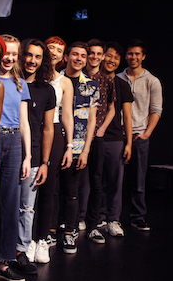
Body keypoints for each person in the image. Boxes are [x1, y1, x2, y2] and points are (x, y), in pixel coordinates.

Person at [0, 32, 32, 281]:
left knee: (9, 204)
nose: (9, 57)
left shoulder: (20, 84)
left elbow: (24, 122)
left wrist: (28, 156)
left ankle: (3, 261)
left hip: (12, 141)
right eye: (6, 52)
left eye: (14, 54)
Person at [13, 37, 55, 272]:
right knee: (3, 206)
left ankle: (22, 250)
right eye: (29, 55)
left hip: (36, 156)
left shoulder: (46, 90)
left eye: (38, 57)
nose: (32, 60)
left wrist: (45, 162)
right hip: (7, 153)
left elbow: (48, 128)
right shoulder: (10, 82)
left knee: (27, 208)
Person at [117, 39, 162, 231]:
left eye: (137, 54)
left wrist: (146, 134)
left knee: (138, 180)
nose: (133, 57)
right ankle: (109, 216)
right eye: (130, 53)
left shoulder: (152, 81)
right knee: (113, 178)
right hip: (117, 134)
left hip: (138, 135)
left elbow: (156, 109)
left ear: (143, 56)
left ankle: (137, 217)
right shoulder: (117, 78)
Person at [59, 41, 99, 254]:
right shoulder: (55, 80)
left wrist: (85, 150)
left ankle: (69, 233)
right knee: (53, 190)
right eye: (75, 54)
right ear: (67, 56)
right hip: (55, 142)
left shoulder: (91, 85)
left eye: (83, 56)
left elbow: (92, 120)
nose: (79, 59)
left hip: (78, 145)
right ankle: (49, 231)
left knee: (72, 192)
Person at [38, 37, 74, 256]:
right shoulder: (30, 75)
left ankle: (42, 237)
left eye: (59, 50)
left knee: (49, 188)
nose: (54, 52)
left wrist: (70, 146)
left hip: (55, 133)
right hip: (33, 129)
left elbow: (68, 115)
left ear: (63, 57)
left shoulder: (64, 82)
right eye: (50, 47)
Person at [79, 38, 116, 244]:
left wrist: (101, 130)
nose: (94, 57)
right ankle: (73, 223)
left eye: (98, 54)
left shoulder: (107, 80)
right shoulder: (77, 76)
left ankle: (93, 224)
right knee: (75, 181)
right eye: (90, 53)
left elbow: (111, 107)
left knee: (96, 181)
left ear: (102, 57)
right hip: (77, 136)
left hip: (97, 137)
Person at [100, 41, 133, 237]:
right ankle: (94, 218)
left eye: (116, 58)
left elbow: (127, 116)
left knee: (114, 182)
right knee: (91, 182)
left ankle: (113, 219)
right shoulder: (92, 80)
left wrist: (128, 142)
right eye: (109, 55)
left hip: (114, 139)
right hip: (91, 138)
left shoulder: (122, 85)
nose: (111, 60)